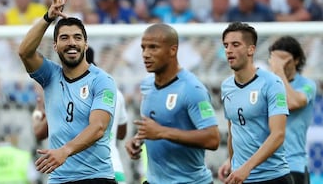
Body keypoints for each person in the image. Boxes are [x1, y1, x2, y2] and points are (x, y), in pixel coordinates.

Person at [18, 0, 117, 184]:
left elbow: (98, 128)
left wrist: (65, 151)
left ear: (85, 44)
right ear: (55, 46)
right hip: (59, 179)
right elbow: (25, 52)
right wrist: (48, 17)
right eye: (64, 38)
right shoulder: (50, 75)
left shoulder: (102, 80)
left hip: (96, 178)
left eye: (77, 38)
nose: (71, 42)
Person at [124, 23, 220, 184]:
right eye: (143, 48)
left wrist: (161, 132)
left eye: (153, 48)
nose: (146, 54)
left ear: (172, 50)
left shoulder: (192, 88)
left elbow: (213, 138)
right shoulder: (147, 85)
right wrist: (137, 139)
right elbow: (155, 126)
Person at [31, 47, 129, 184]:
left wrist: (37, 112)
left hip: (76, 171)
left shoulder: (65, 94)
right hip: (113, 167)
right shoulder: (114, 92)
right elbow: (122, 133)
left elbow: (40, 132)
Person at [218, 22, 292, 184]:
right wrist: (231, 161)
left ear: (251, 49)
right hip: (241, 177)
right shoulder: (226, 86)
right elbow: (233, 129)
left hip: (273, 177)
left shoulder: (272, 83)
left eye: (235, 44)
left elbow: (278, 135)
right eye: (226, 45)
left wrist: (247, 168)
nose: (229, 50)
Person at [268, 36, 317, 184]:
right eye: (275, 59)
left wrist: (279, 72)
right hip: (267, 167)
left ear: (296, 60)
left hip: (293, 165)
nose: (279, 64)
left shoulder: (307, 84)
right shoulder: (266, 85)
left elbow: (293, 102)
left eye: (283, 59)